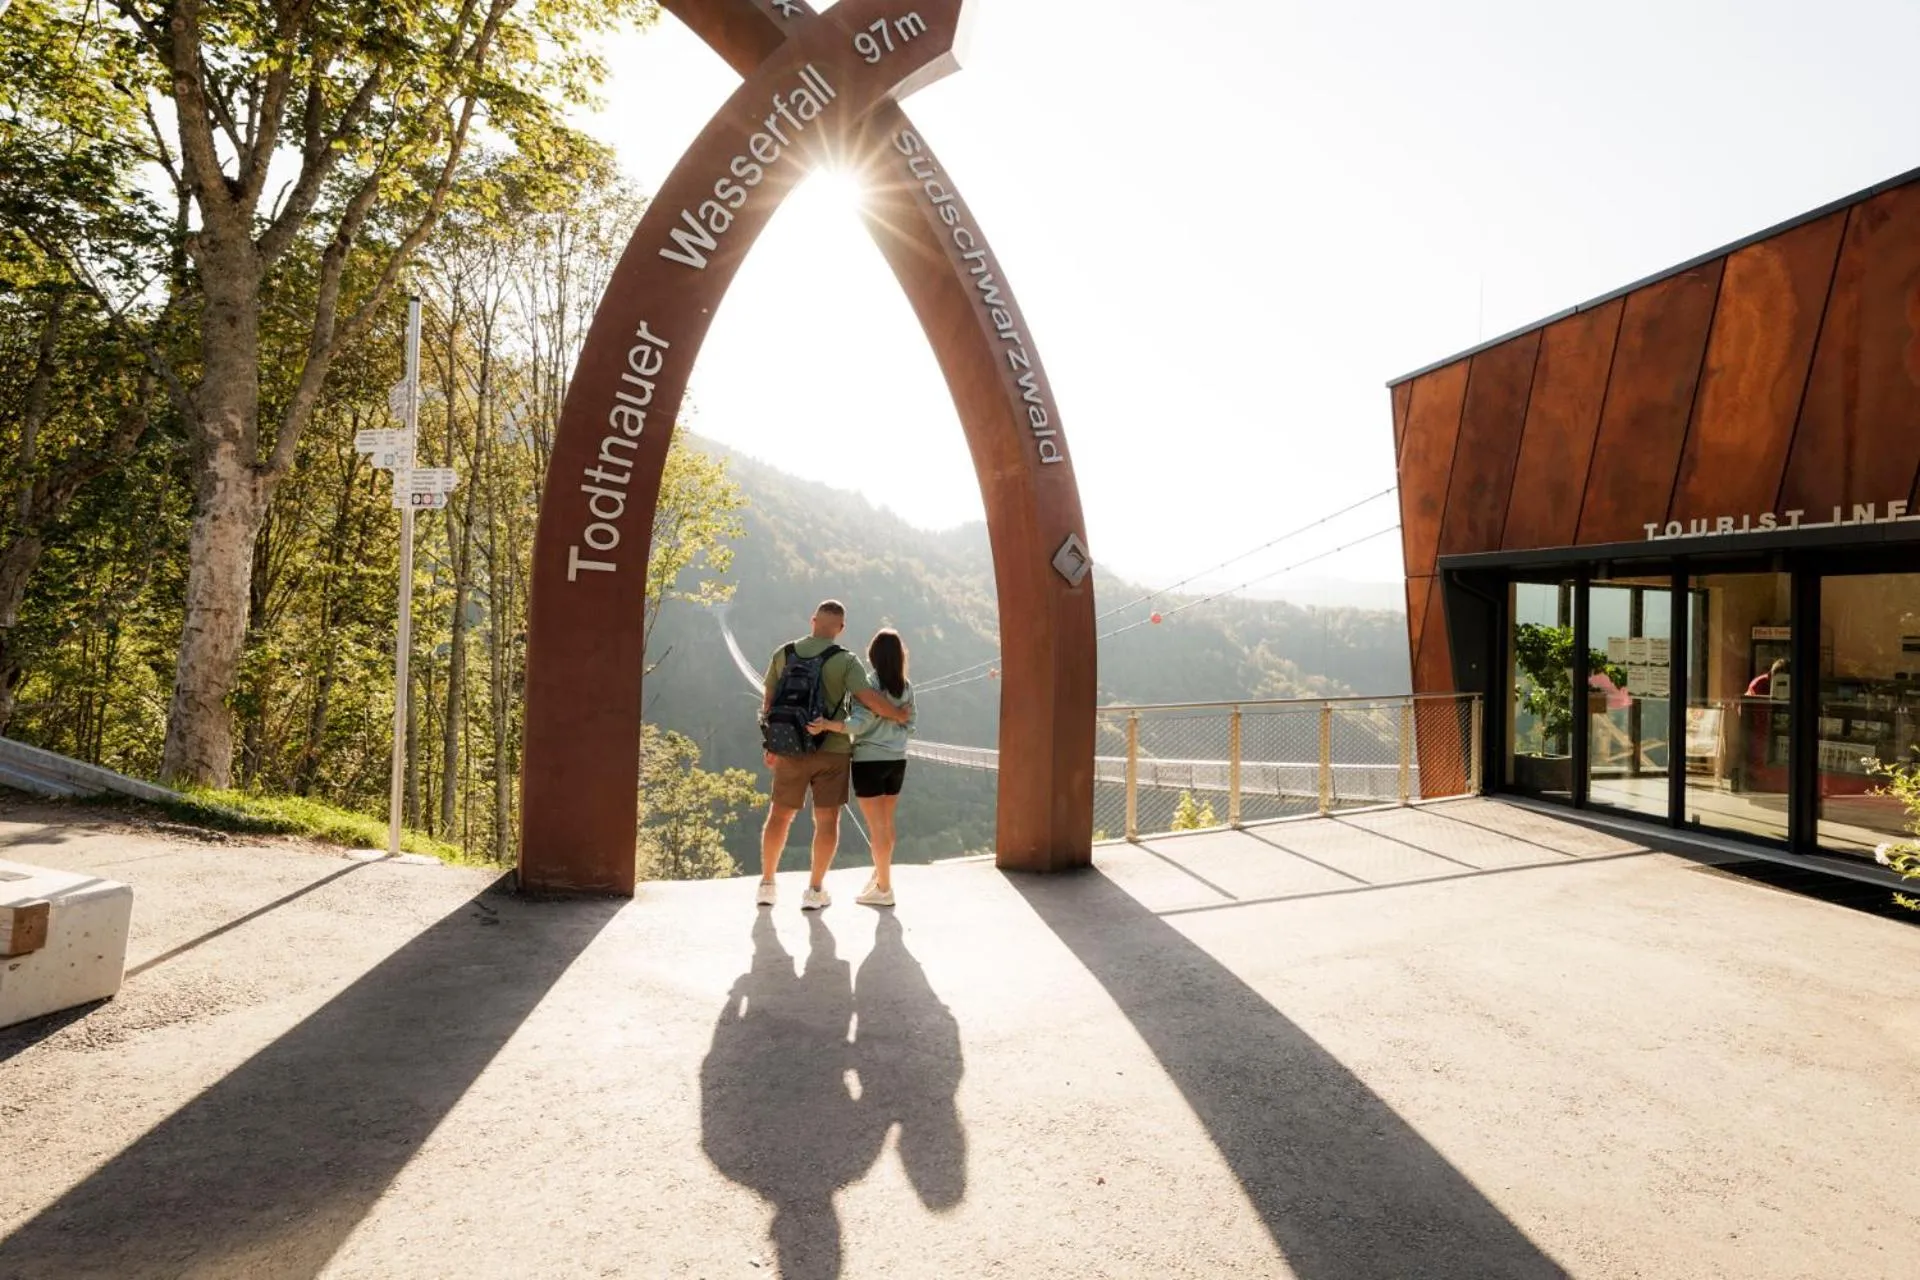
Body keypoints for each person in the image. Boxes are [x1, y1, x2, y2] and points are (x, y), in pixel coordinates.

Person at [758, 601, 910, 910]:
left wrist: (772, 744)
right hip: (833, 751)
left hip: (790, 748)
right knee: (826, 819)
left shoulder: (783, 653)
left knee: (779, 815)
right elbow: (869, 700)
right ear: (841, 628)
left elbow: (769, 703)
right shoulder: (845, 661)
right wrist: (898, 715)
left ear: (813, 620)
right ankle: (815, 891)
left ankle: (767, 885)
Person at [809, 628, 916, 907]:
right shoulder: (906, 686)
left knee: (877, 828)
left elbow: (860, 724)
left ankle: (884, 888)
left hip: (869, 761)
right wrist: (896, 721)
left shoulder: (868, 685)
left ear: (873, 655)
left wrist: (828, 725)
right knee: (887, 824)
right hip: (897, 761)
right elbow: (911, 723)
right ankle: (879, 878)